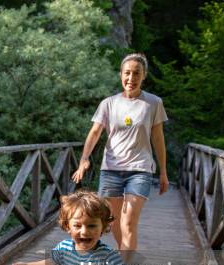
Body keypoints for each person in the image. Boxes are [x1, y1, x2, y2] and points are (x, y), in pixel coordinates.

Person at [72, 53, 169, 254]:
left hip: (140, 169)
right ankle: (122, 253)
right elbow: (95, 132)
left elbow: (158, 139)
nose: (131, 78)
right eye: (127, 73)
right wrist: (84, 159)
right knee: (113, 221)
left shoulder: (153, 103)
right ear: (120, 75)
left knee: (128, 222)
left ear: (144, 76)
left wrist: (163, 172)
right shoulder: (108, 103)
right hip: (111, 170)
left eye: (136, 73)